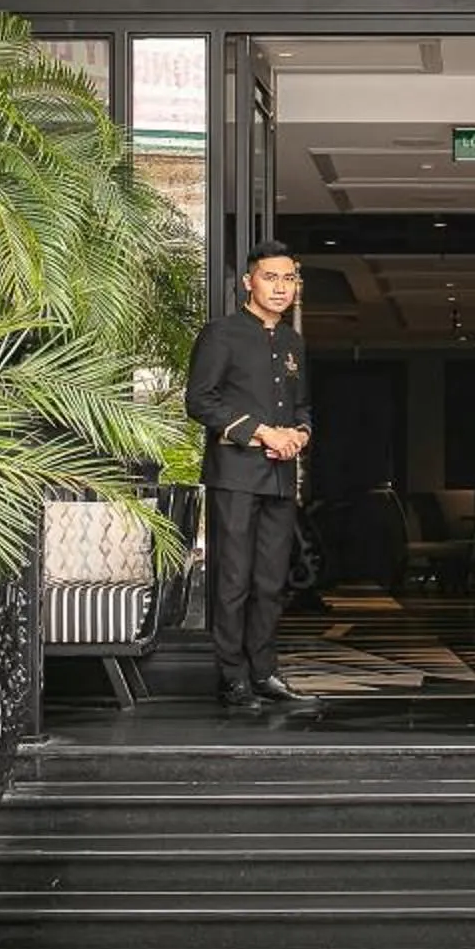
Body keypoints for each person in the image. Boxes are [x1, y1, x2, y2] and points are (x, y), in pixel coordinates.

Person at [184, 240, 312, 707]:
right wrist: (262, 433)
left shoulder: (293, 341)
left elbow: (302, 406)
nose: (281, 288)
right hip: (235, 474)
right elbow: (199, 400)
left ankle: (265, 671)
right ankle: (232, 676)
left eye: (289, 279)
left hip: (280, 476)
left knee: (271, 581)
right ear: (248, 282)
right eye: (271, 278)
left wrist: (300, 433)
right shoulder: (222, 334)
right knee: (234, 579)